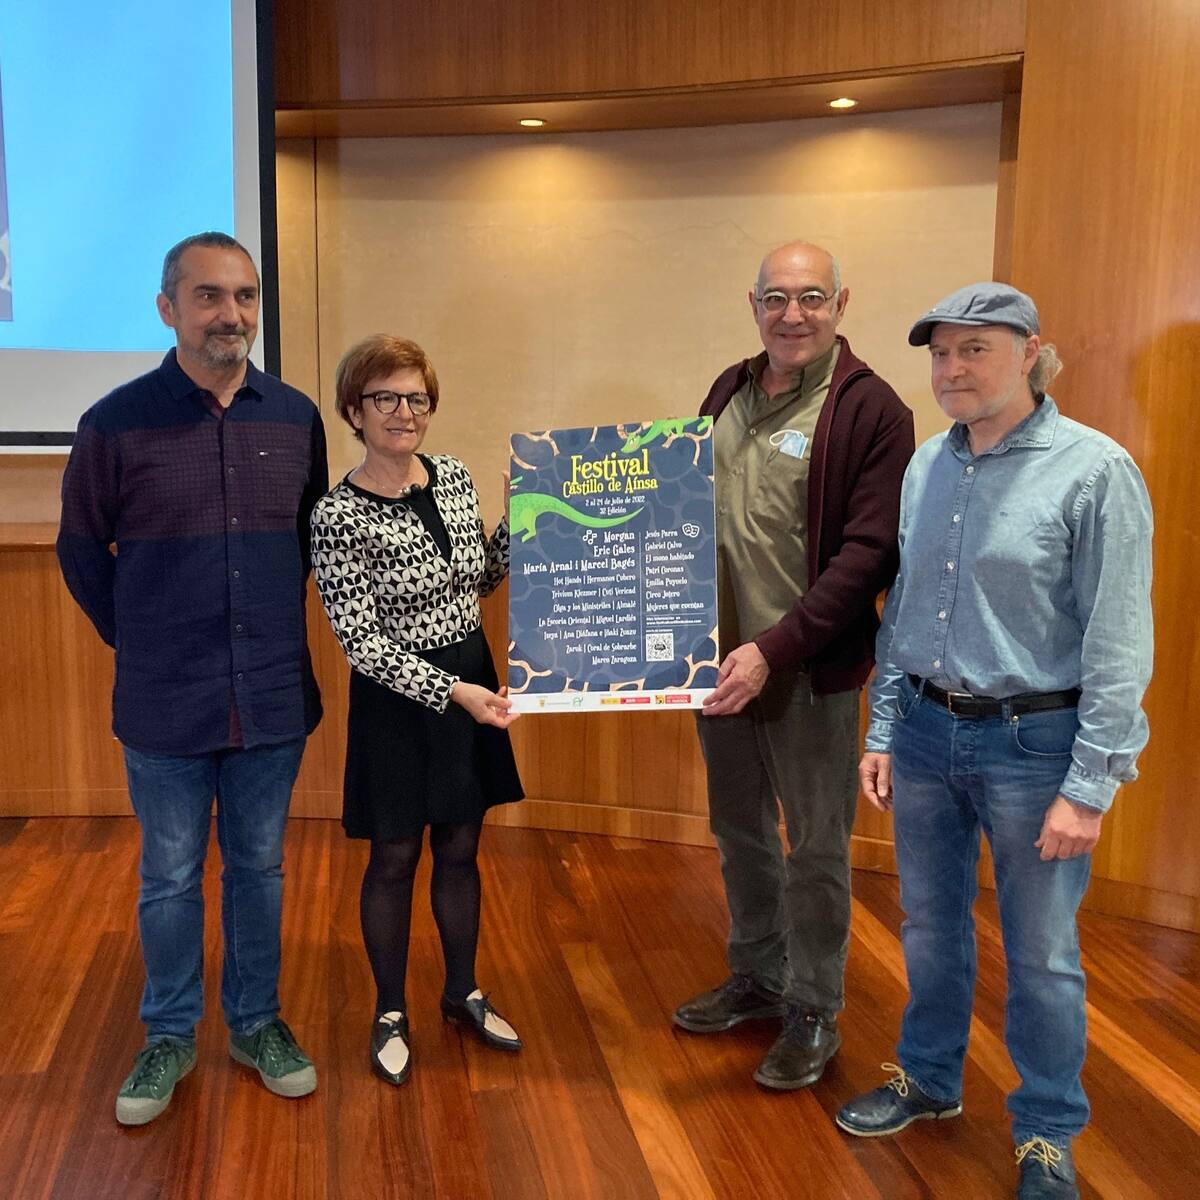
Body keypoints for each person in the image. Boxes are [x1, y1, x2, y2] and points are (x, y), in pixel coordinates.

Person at [834, 283, 1153, 1200]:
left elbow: (1120, 642)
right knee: (929, 925)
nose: (952, 369)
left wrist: (1089, 787)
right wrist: (885, 727)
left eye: (975, 349)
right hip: (925, 734)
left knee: (1042, 952)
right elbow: (905, 611)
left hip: (1036, 747)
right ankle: (929, 1079)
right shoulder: (926, 465)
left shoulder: (1095, 471)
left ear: (1030, 352)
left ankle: (1047, 1129)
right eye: (941, 353)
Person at [57, 232, 328, 1125]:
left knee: (259, 868)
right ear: (168, 308)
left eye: (245, 296)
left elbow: (309, 544)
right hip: (164, 699)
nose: (231, 314)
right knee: (170, 876)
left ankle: (256, 1024)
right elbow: (80, 548)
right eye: (209, 296)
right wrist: (138, 638)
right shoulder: (113, 423)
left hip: (271, 694)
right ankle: (169, 1035)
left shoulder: (295, 418)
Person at [673, 241, 914, 1090]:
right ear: (754, 306)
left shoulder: (872, 410)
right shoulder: (727, 390)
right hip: (715, 668)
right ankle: (759, 975)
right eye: (775, 298)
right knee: (739, 829)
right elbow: (679, 510)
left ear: (841, 305)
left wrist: (771, 651)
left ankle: (813, 1005)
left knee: (815, 846)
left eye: (811, 296)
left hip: (805, 671)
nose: (792, 314)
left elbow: (869, 555)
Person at [310, 335, 524, 1087]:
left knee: (461, 846)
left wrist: (520, 520)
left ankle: (462, 992)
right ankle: (391, 1010)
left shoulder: (456, 478)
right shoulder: (336, 515)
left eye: (417, 399)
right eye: (385, 398)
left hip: (471, 677)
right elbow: (361, 644)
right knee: (395, 856)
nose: (404, 412)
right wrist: (455, 693)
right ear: (354, 411)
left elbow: (480, 579)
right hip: (401, 702)